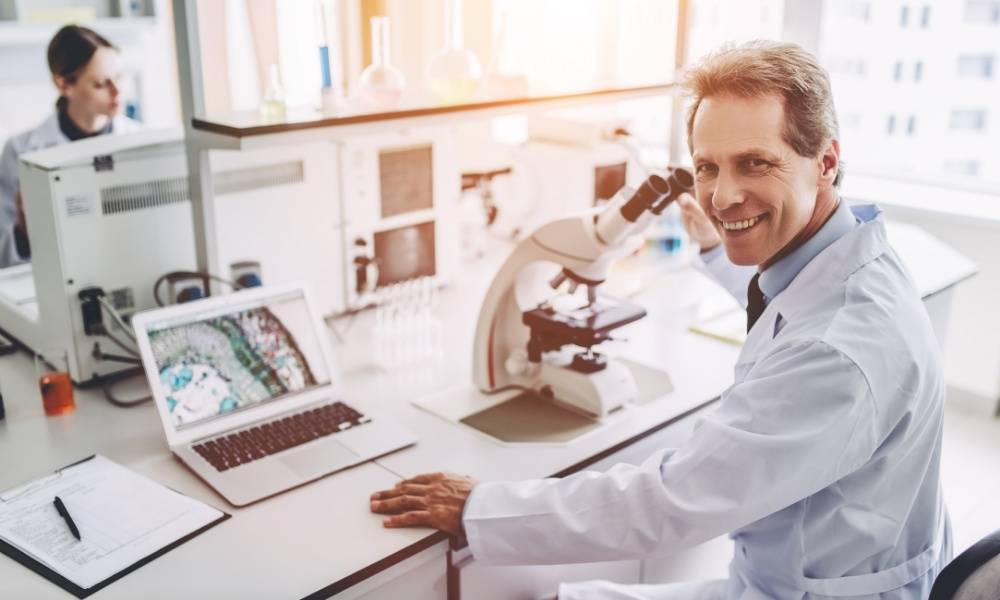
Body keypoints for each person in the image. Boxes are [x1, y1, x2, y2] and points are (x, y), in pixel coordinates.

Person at [370, 40, 951, 599]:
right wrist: (713, 251)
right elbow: (790, 306)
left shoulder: (836, 350)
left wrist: (481, 508)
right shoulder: (852, 258)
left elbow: (672, 502)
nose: (722, 196)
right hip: (804, 572)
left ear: (825, 160)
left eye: (754, 163)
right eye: (707, 167)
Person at [0, 25, 140, 268]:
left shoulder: (142, 139)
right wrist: (24, 233)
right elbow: (5, 258)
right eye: (100, 83)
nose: (118, 91)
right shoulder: (21, 152)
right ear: (64, 85)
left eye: (119, 77)